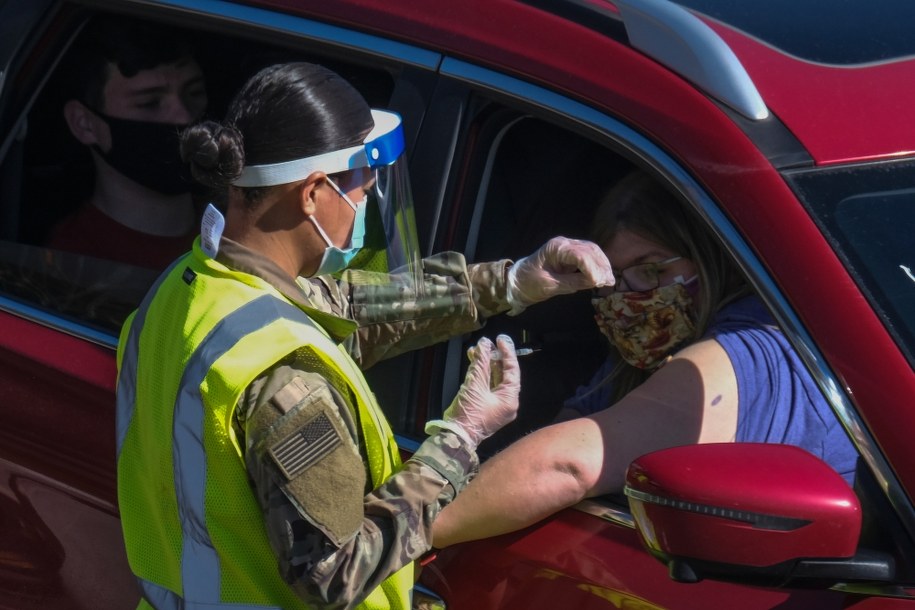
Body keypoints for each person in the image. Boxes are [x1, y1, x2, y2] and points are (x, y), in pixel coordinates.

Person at [114, 61, 614, 610]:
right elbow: (335, 572)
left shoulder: (188, 289)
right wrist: (459, 439)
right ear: (311, 194)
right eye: (362, 192)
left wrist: (514, 282)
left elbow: (346, 306)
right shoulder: (287, 382)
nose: (363, 213)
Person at [431, 169, 859, 548]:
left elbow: (567, 464)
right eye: (613, 279)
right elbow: (577, 422)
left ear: (711, 258)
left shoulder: (756, 347)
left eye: (652, 270)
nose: (630, 296)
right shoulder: (643, 356)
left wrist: (405, 532)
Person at [45, 16, 207, 269]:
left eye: (194, 93)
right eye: (149, 103)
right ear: (84, 124)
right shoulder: (71, 263)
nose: (184, 117)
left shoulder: (240, 227)